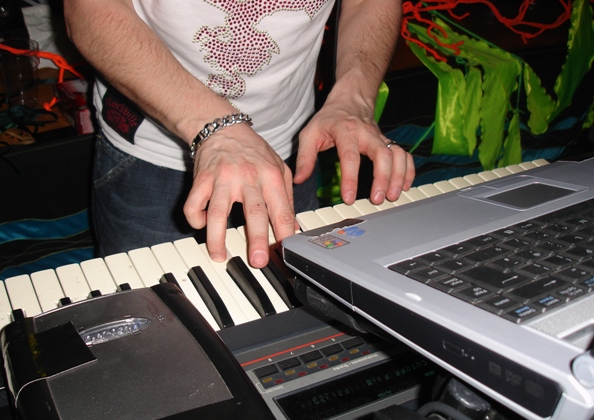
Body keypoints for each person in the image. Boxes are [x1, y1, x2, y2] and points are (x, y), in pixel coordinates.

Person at [63, 0, 415, 269]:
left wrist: (354, 96)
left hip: (292, 147)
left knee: (288, 298)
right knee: (153, 312)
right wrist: (216, 126)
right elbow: (90, 8)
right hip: (153, 153)